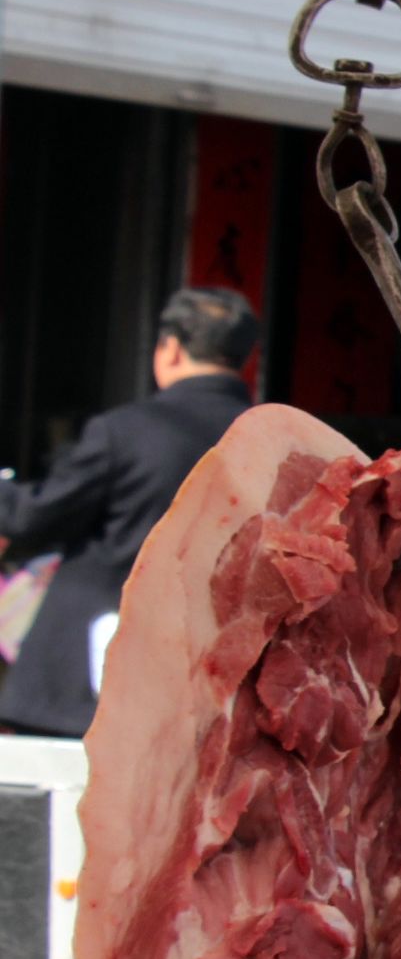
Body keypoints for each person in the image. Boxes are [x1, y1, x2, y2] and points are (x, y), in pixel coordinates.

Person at [0, 287, 256, 737]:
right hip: (210, 669)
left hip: (87, 673)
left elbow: (30, 520)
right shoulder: (268, 441)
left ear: (171, 348)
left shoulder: (125, 432)